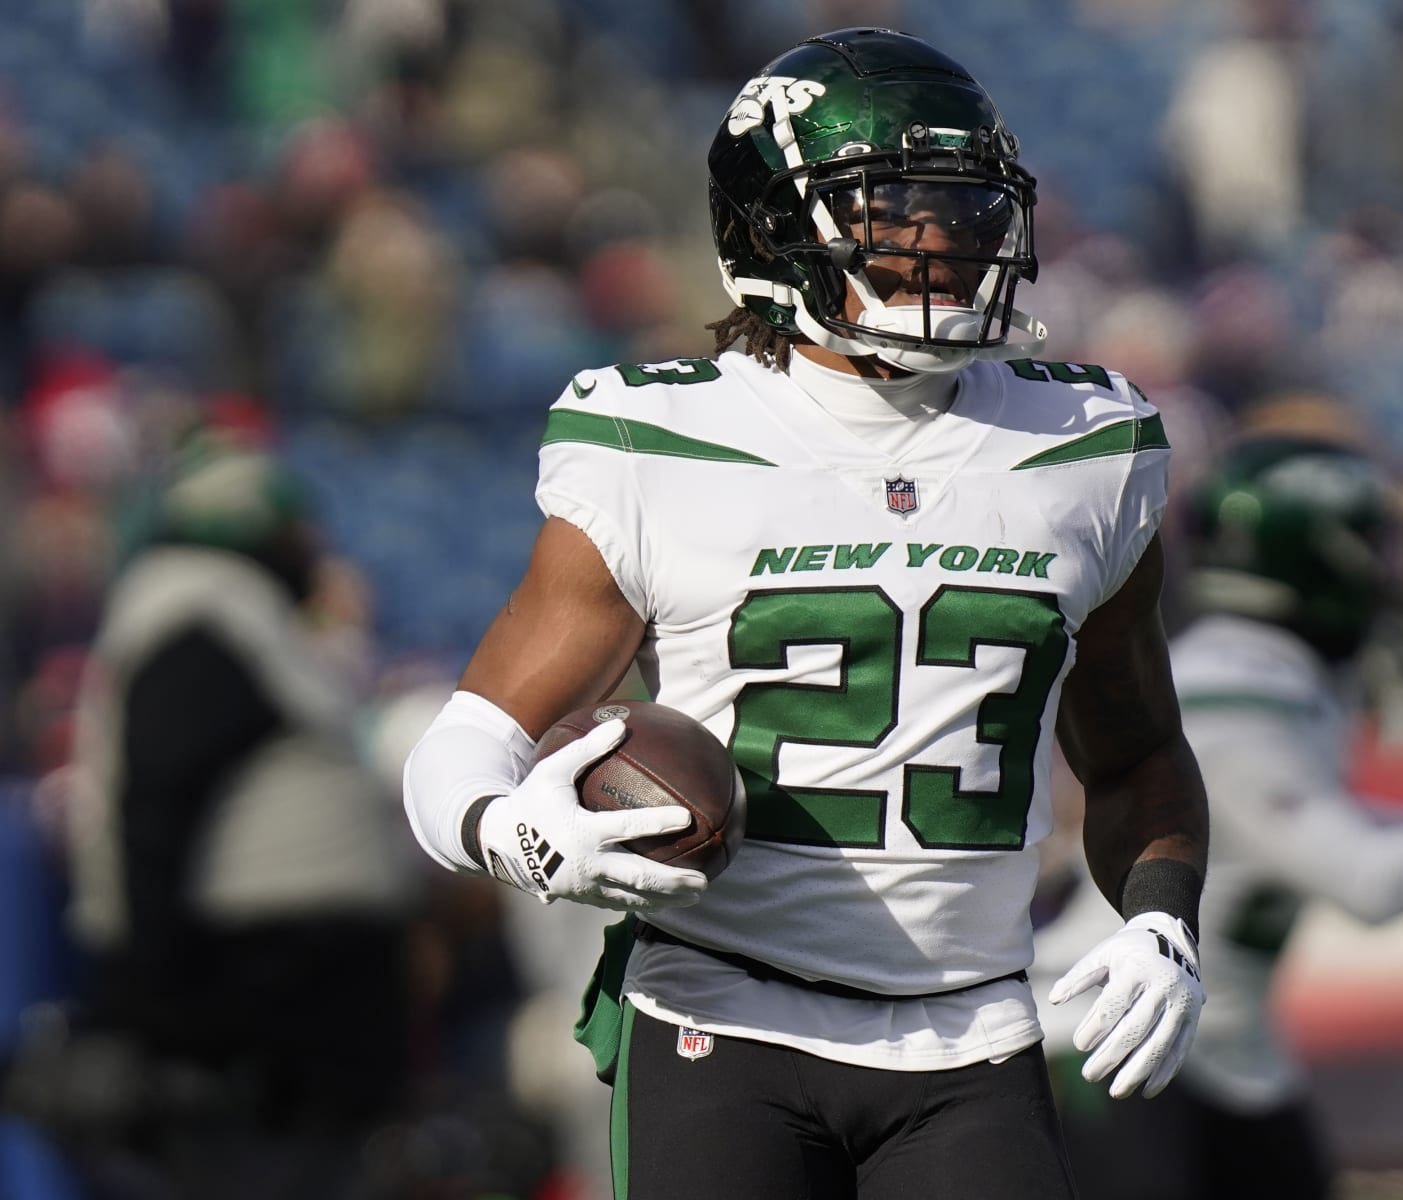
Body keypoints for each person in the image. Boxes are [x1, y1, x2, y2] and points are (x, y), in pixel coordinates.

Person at [403, 27, 1210, 1200]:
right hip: (719, 1023)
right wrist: (513, 833)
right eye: (896, 209)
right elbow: (465, 740)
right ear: (771, 225)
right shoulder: (655, 440)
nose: (947, 239)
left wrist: (1161, 919)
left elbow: (1137, 751)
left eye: (968, 207)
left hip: (971, 1033)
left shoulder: (1089, 446)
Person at [1050, 430, 1403, 1200]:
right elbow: (1366, 883)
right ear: (1314, 557)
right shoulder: (1237, 697)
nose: (1393, 574)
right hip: (1118, 1036)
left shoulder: (1261, 675)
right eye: (1371, 546)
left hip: (1221, 1044)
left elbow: (1302, 836)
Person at [47, 430, 417, 1199]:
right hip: (254, 1001)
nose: (309, 549)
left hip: (280, 998)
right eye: (292, 531)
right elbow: (156, 806)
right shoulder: (201, 615)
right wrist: (160, 1009)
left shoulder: (218, 611)